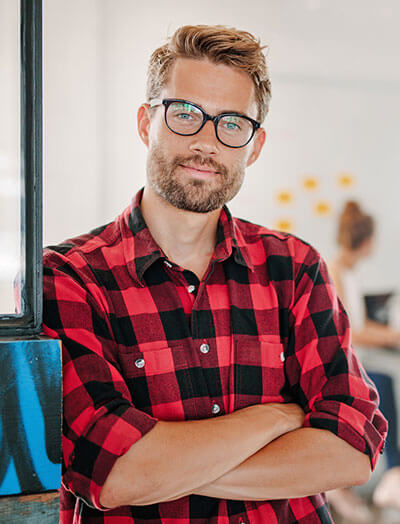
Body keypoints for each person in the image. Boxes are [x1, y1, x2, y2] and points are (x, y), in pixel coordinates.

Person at [42, 25, 387, 524]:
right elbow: (112, 471)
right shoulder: (69, 278)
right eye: (185, 114)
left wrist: (164, 466)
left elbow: (352, 446)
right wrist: (277, 417)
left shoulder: (295, 268)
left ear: (255, 145)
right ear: (145, 123)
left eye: (231, 123)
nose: (207, 143)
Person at [328, 201, 400, 519]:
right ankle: (394, 472)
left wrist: (390, 335)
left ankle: (393, 472)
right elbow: (351, 330)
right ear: (367, 241)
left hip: (357, 355)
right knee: (389, 377)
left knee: (391, 372)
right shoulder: (337, 271)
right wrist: (393, 336)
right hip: (343, 363)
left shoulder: (348, 271)